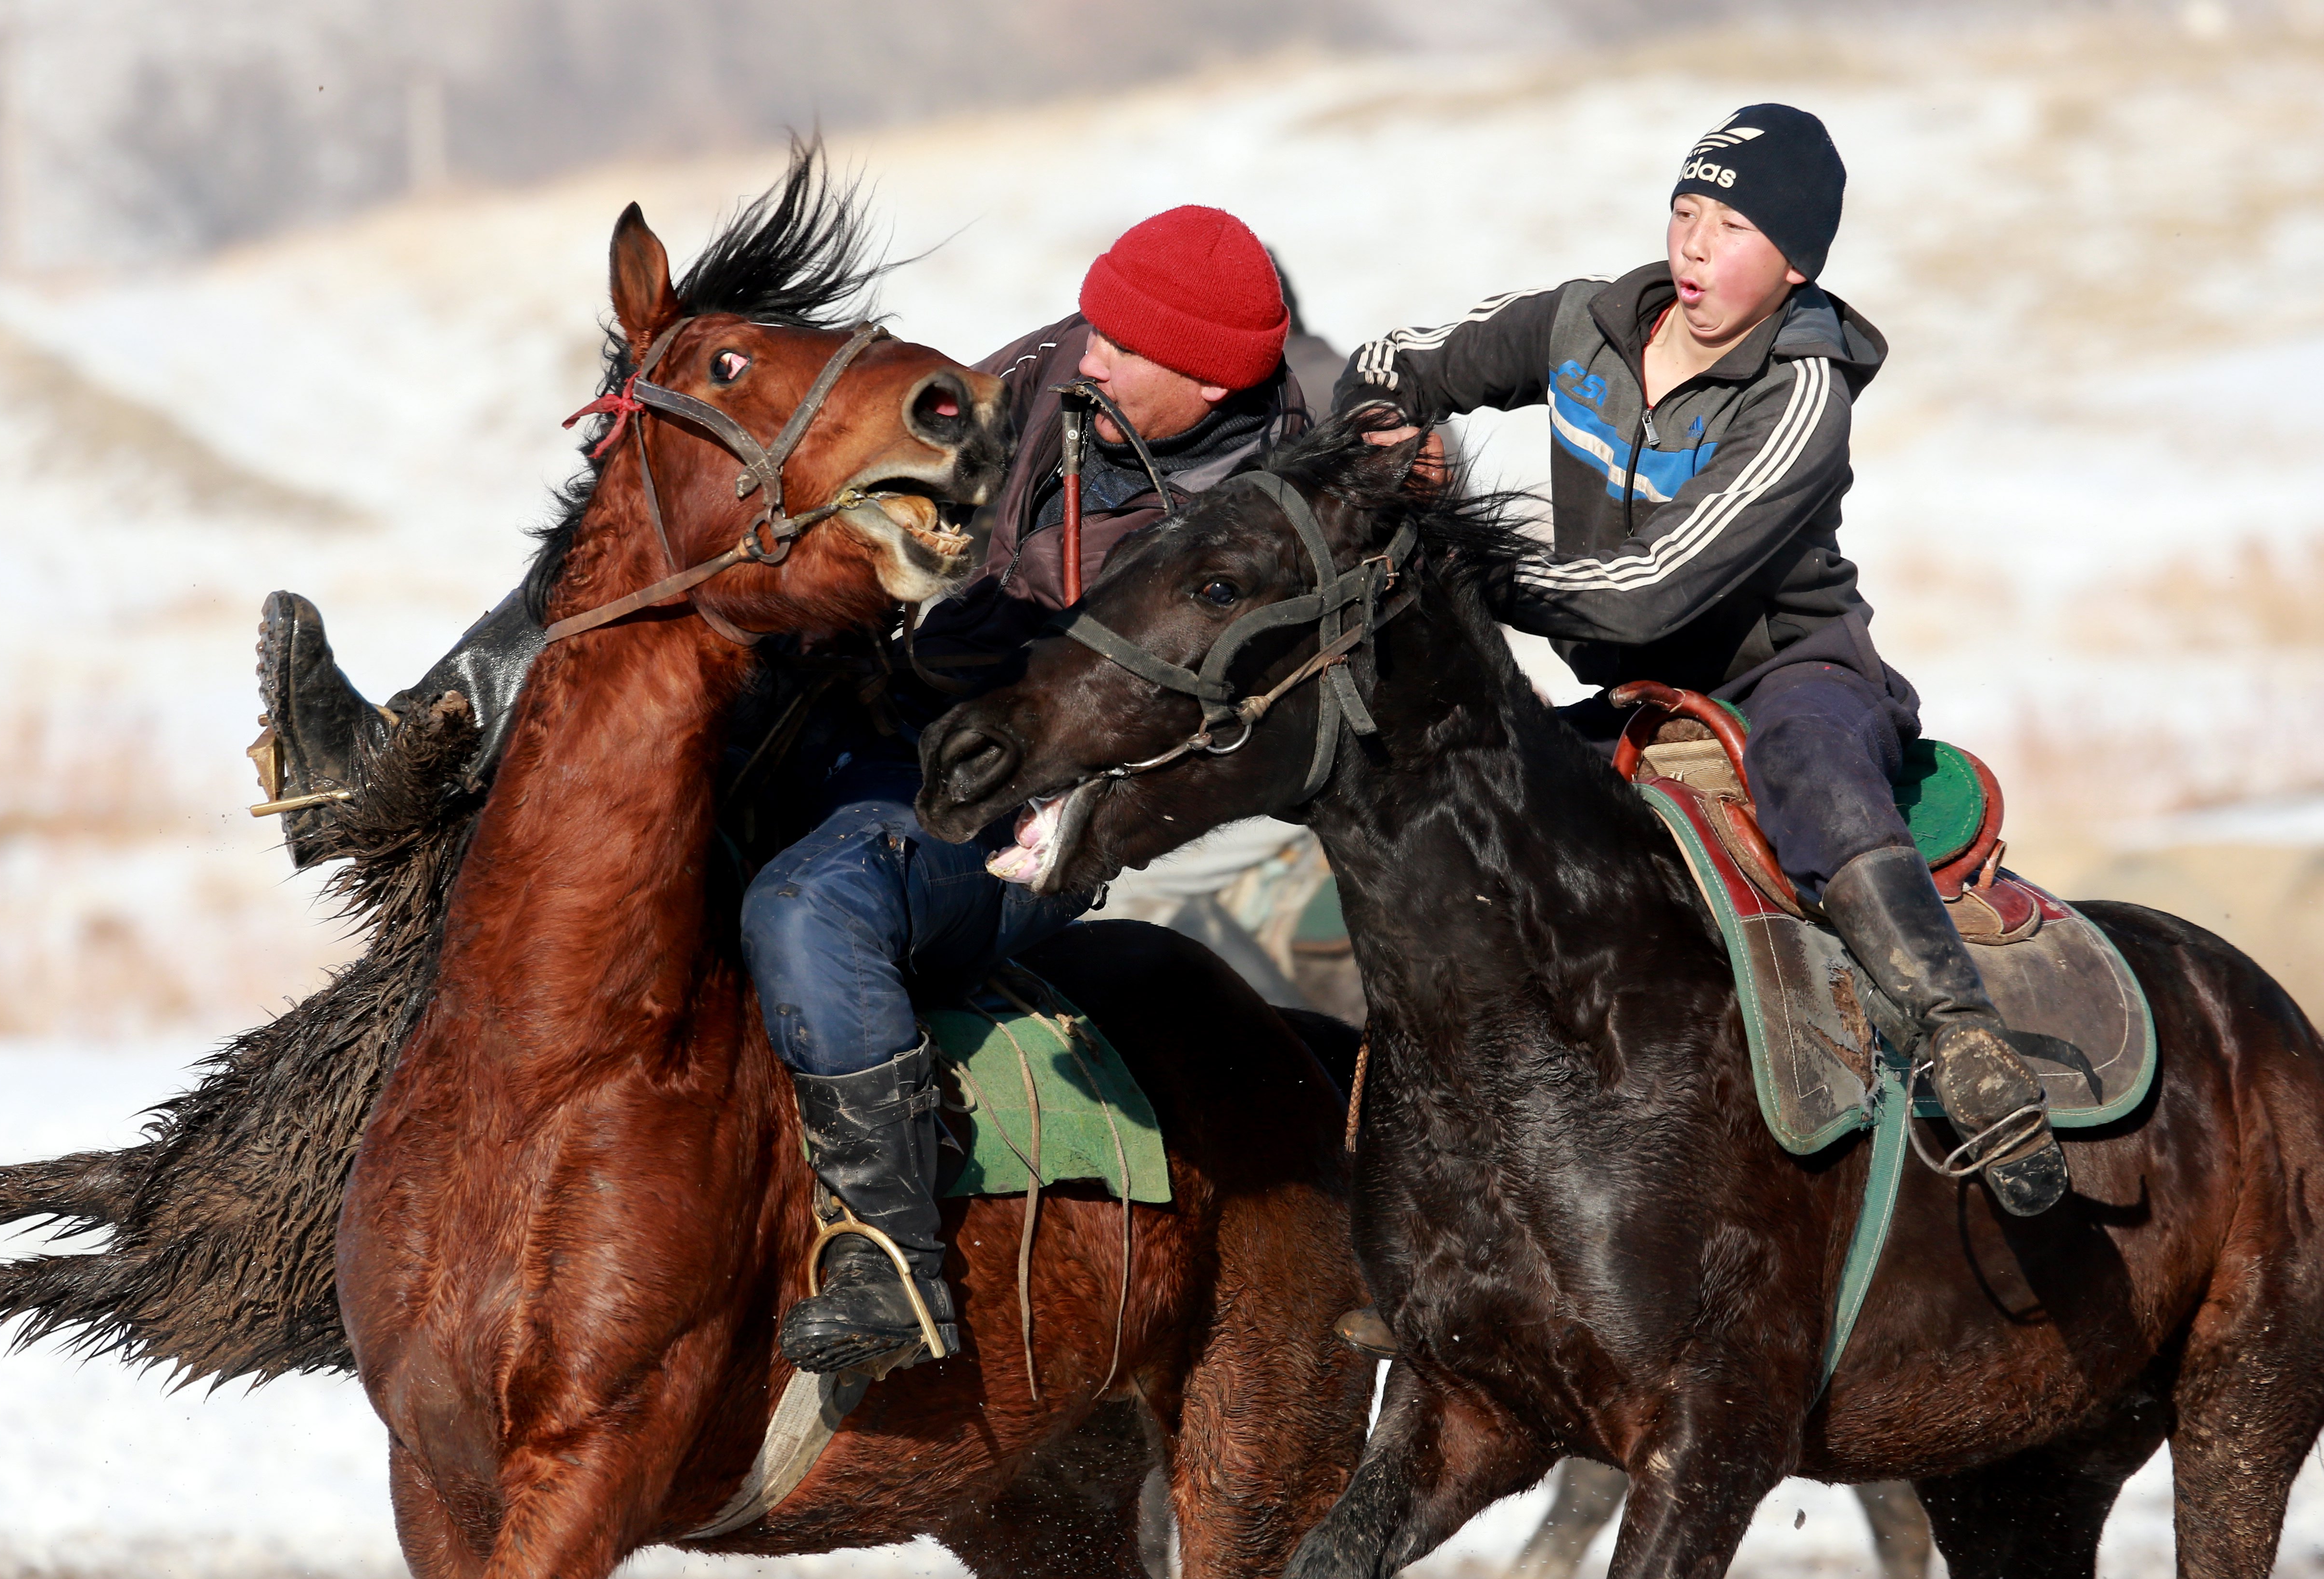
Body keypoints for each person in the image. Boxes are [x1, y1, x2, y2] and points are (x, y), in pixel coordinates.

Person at [253, 205, 1306, 1377]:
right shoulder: (1069, 371)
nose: (1086, 354)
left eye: (1124, 347)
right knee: (631, 659)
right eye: (1094, 325)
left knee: (812, 910)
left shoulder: (1247, 533)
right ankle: (390, 756)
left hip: (1006, 815)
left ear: (1210, 384)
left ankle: (888, 1259)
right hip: (862, 724)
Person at [1332, 104, 2065, 1226]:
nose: (1693, 247)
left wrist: (1470, 564)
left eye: (1731, 229)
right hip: (1627, 692)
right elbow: (1393, 362)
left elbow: (1651, 587)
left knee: (1809, 764)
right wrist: (1387, 429)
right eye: (1685, 213)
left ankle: (1964, 1041)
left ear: (1798, 264)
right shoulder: (1580, 323)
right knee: (1480, 810)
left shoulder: (1802, 392)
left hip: (1790, 674)